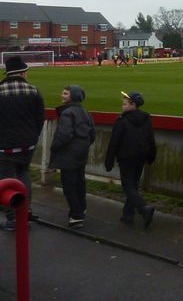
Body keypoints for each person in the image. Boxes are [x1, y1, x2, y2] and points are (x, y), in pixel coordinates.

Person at [0, 56, 45, 231]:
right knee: (24, 175)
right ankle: (25, 212)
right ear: (23, 73)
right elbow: (40, 119)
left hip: (5, 146)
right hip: (27, 144)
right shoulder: (33, 91)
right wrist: (33, 138)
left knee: (8, 182)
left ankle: (12, 218)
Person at [104, 91, 156, 228]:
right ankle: (128, 214)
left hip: (126, 157)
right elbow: (150, 138)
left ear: (133, 105)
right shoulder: (146, 118)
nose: (122, 105)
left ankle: (144, 208)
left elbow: (114, 141)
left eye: (125, 103)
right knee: (134, 185)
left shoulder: (122, 120)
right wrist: (151, 156)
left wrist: (109, 160)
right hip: (141, 156)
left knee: (128, 187)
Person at [49, 85, 96, 228]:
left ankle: (76, 215)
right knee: (79, 182)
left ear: (72, 96)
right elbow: (92, 133)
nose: (62, 95)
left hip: (68, 153)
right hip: (81, 152)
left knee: (69, 185)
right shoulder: (85, 112)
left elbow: (64, 134)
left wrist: (54, 147)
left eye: (65, 93)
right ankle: (81, 208)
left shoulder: (67, 113)